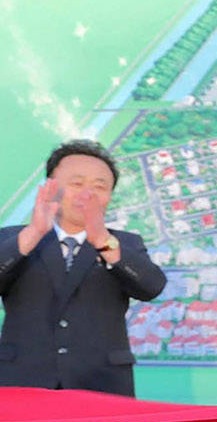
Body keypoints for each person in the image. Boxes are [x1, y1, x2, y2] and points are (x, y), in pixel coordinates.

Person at [0, 139, 166, 395]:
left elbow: (151, 287)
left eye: (99, 186)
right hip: (23, 382)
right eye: (76, 184)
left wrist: (103, 242)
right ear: (50, 188)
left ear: (109, 196)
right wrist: (33, 233)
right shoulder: (14, 238)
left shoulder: (124, 243)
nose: (87, 194)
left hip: (102, 384)